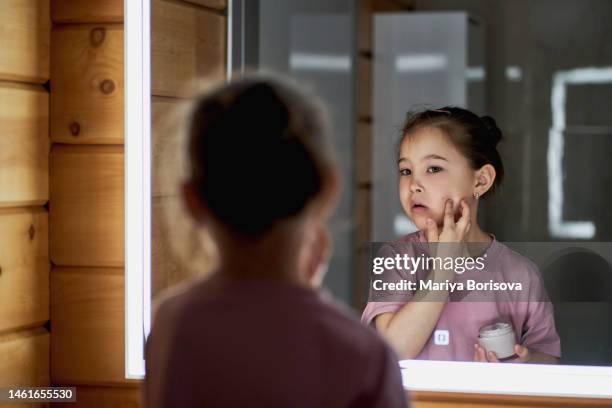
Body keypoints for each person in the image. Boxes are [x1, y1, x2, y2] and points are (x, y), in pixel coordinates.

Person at [145, 76, 409, 407]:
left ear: (192, 201)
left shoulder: (173, 322)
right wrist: (306, 299)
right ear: (329, 191)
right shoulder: (363, 355)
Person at [362, 107, 561, 363]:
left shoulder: (521, 274)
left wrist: (524, 362)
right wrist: (443, 270)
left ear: (481, 181)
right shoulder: (396, 259)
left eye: (433, 169)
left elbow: (550, 360)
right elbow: (392, 352)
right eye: (406, 171)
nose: (414, 185)